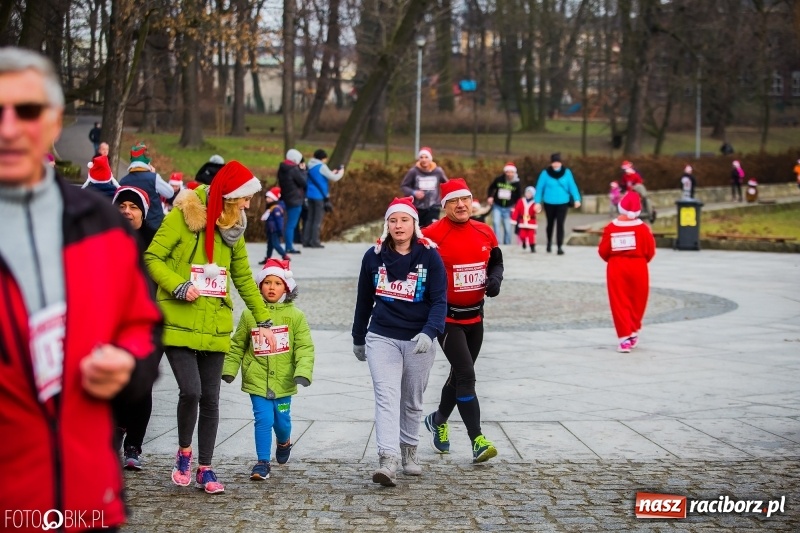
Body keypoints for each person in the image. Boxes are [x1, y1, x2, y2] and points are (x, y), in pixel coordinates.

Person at [0, 46, 162, 532]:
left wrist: (128, 364)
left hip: (86, 497)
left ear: (52, 124)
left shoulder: (101, 222)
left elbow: (142, 325)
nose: (9, 128)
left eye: (25, 111)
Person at [144, 160, 277, 495]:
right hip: (177, 319)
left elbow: (244, 278)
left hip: (215, 324)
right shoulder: (183, 217)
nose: (248, 204)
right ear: (229, 196)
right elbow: (152, 258)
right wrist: (177, 285)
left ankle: (206, 467)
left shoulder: (234, 228)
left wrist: (263, 318)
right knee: (191, 391)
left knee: (212, 398)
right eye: (244, 198)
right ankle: (184, 454)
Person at [352, 197, 447, 486]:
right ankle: (388, 458)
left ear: (414, 224)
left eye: (404, 220)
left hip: (419, 339)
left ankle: (409, 452)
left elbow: (440, 301)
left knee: (412, 400)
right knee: (387, 396)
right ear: (387, 224)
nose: (398, 225)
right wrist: (359, 337)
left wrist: (430, 332)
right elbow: (364, 300)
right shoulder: (374, 256)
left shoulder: (429, 256)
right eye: (393, 220)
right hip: (382, 337)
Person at [421, 178, 503, 464]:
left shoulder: (484, 230)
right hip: (446, 318)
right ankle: (477, 439)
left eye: (465, 199)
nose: (461, 205)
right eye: (454, 201)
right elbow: (412, 257)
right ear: (445, 206)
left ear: (472, 201)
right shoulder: (432, 235)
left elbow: (496, 260)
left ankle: (438, 420)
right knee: (467, 375)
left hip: (475, 317)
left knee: (459, 376)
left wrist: (495, 279)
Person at [222, 259, 315, 481]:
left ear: (287, 288)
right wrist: (229, 369)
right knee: (263, 419)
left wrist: (302, 370)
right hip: (257, 378)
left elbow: (304, 347)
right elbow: (237, 345)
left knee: (282, 420)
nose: (271, 287)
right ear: (259, 286)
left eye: (277, 283)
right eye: (267, 283)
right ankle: (262, 461)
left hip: (283, 381)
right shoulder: (249, 315)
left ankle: (284, 441)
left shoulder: (295, 317)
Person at [110, 186, 159, 470]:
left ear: (143, 211)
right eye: (122, 206)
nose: (127, 211)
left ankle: (133, 446)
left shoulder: (156, 240)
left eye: (134, 206)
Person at [598, 192, 655, 353]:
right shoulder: (644, 229)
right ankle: (633, 330)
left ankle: (624, 338)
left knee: (619, 300)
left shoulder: (611, 227)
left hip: (617, 267)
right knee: (638, 300)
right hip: (639, 266)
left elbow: (603, 251)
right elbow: (650, 251)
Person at [533, 153, 582, 255]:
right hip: (549, 202)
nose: (556, 164)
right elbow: (539, 188)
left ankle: (559, 246)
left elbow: (572, 186)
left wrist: (577, 199)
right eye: (554, 162)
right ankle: (549, 242)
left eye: (558, 162)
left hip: (562, 202)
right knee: (550, 224)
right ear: (551, 163)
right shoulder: (545, 173)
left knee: (560, 224)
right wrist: (537, 202)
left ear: (561, 162)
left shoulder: (567, 173)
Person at [119, 142, 174, 230]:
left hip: (132, 225)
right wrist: (154, 174)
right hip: (153, 224)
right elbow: (170, 193)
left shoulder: (123, 181)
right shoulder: (153, 178)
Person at [304, 149, 344, 248]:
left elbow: (320, 176)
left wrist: (332, 172)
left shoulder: (309, 165)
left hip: (309, 195)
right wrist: (341, 172)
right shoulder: (321, 166)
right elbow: (334, 178)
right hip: (319, 196)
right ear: (323, 158)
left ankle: (306, 240)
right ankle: (315, 241)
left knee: (310, 219)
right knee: (317, 219)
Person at [400, 146, 449, 227]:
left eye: (426, 157)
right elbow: (404, 186)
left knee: (432, 228)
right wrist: (414, 192)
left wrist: (447, 199)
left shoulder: (438, 171)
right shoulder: (414, 171)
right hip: (417, 207)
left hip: (434, 206)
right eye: (421, 157)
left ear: (430, 159)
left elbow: (447, 185)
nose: (424, 159)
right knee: (419, 231)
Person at [277, 148, 307, 254]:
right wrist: (303, 170)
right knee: (291, 224)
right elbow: (304, 182)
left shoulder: (282, 168)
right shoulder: (294, 169)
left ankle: (289, 245)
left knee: (289, 223)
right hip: (295, 199)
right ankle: (289, 247)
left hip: (286, 198)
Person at [486, 161, 522, 245]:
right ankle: (497, 243)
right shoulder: (499, 179)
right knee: (496, 222)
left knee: (507, 227)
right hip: (497, 206)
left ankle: (507, 244)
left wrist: (517, 207)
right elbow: (491, 188)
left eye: (511, 172)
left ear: (514, 172)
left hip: (509, 207)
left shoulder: (516, 183)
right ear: (505, 172)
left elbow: (519, 196)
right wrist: (490, 196)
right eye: (508, 172)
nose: (509, 174)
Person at [259, 186, 290, 263]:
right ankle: (268, 257)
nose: (267, 199)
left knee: (276, 244)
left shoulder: (276, 208)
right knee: (270, 245)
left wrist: (280, 231)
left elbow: (279, 221)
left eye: (269, 198)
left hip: (274, 230)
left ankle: (284, 255)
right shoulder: (270, 207)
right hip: (270, 229)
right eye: (267, 198)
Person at [511, 186, 537, 252]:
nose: (528, 194)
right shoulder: (521, 201)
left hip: (531, 222)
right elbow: (517, 210)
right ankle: (524, 242)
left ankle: (532, 247)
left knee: (531, 236)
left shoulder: (535, 202)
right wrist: (514, 219)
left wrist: (537, 209)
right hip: (522, 222)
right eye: (527, 193)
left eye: (530, 193)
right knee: (522, 235)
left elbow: (537, 210)